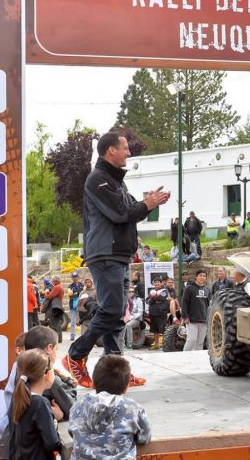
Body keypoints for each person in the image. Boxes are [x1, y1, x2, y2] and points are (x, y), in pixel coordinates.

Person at [63, 131, 169, 389]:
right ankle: (75, 355)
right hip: (105, 253)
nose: (129, 153)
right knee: (111, 310)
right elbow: (121, 214)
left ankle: (116, 373)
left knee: (117, 314)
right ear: (111, 150)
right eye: (124, 148)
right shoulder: (98, 180)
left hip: (118, 255)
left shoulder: (116, 182)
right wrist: (146, 203)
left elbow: (132, 212)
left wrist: (148, 204)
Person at [69, 355, 152, 460]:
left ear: (93, 384)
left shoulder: (77, 407)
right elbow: (144, 437)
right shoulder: (133, 408)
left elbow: (74, 433)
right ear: (126, 387)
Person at [8, 349, 63, 460]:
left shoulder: (17, 398)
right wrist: (54, 426)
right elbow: (52, 443)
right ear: (46, 374)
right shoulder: (40, 403)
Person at [181, 270, 211, 351]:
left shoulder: (207, 289)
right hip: (191, 320)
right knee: (191, 340)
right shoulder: (189, 288)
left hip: (204, 320)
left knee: (200, 342)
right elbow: (184, 302)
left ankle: (197, 360)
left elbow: (210, 305)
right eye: (200, 275)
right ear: (196, 277)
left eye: (204, 276)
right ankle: (184, 357)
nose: (202, 277)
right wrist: (185, 316)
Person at [146, 278, 170, 349]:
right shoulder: (151, 291)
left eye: (158, 282)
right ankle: (156, 344)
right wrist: (154, 300)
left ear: (161, 283)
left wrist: (153, 299)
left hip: (161, 313)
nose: (157, 283)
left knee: (163, 329)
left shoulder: (164, 291)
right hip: (153, 313)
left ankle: (165, 345)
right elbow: (147, 301)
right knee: (155, 330)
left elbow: (161, 298)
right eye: (155, 282)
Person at [42, 277, 65, 344]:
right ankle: (59, 339)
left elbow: (50, 296)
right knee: (57, 323)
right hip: (58, 306)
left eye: (52, 281)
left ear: (55, 281)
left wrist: (46, 294)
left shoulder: (57, 287)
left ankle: (57, 339)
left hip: (54, 307)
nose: (51, 282)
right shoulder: (60, 286)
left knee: (54, 324)